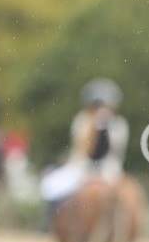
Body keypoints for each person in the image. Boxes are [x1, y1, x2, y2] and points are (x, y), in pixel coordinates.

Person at [39, 78, 129, 227]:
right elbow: (83, 148)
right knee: (50, 185)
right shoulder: (82, 121)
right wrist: (93, 128)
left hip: (108, 170)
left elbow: (114, 151)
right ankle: (50, 223)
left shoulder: (118, 125)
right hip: (81, 167)